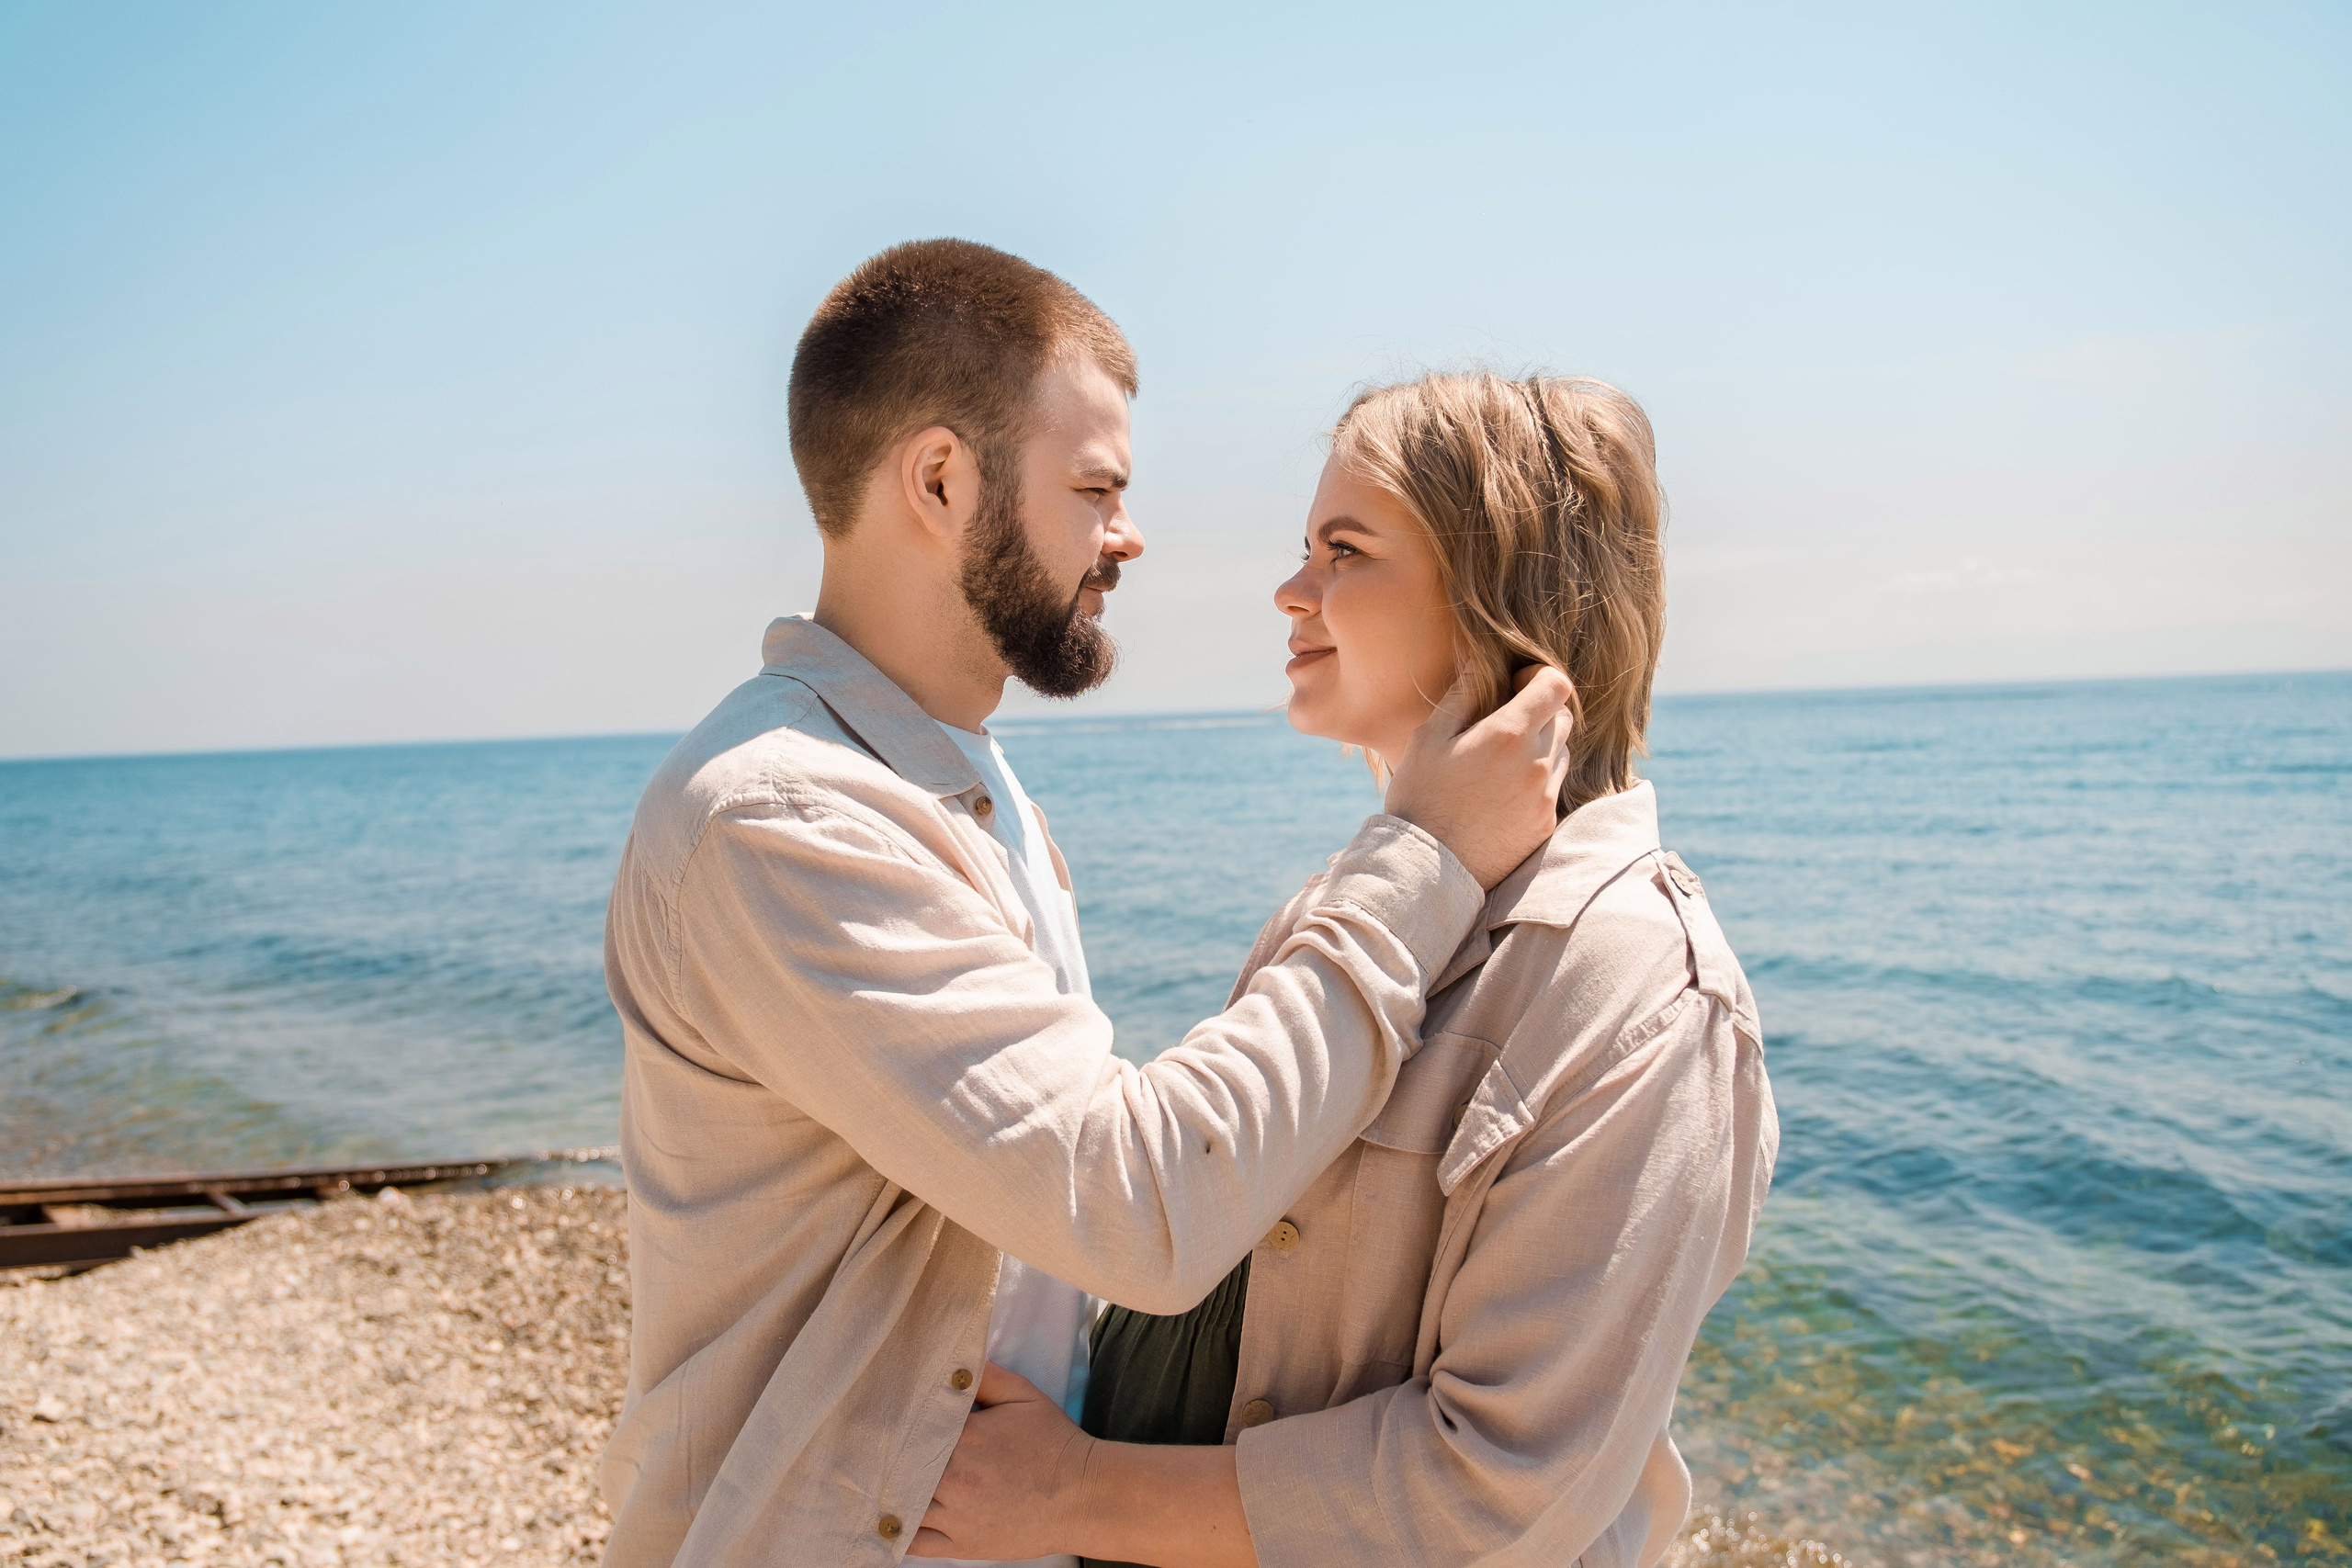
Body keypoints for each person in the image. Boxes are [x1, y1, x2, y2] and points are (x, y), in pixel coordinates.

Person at [597, 243, 1577, 1567]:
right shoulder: (785, 816)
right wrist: (1430, 854)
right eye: (1095, 489)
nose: (1128, 535)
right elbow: (1134, 1210)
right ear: (941, 481)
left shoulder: (957, 779)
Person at [910, 372, 1780, 1568]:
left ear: (1500, 599)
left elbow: (1498, 1490)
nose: (1291, 590)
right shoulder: (1358, 903)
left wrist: (1072, 1494)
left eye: (1345, 551)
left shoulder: (1639, 990)